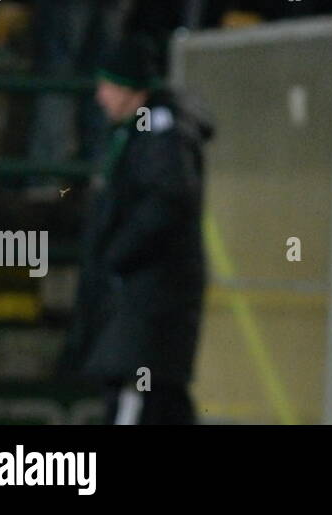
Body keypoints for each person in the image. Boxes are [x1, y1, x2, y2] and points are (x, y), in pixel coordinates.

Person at [59, 34, 211, 424]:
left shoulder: (160, 132)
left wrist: (116, 256)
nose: (100, 96)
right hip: (142, 300)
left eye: (107, 85)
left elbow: (168, 202)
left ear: (129, 86)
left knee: (140, 400)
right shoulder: (137, 132)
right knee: (160, 402)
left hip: (151, 299)